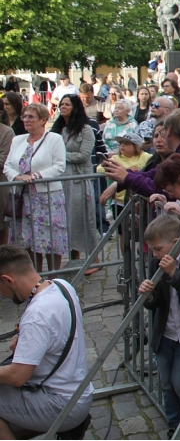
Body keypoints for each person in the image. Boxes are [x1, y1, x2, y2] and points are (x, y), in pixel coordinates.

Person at [0, 245, 93, 438]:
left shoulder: (37, 316)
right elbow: (56, 329)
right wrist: (24, 337)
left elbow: (17, 376)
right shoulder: (60, 285)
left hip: (61, 404)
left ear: (7, 280)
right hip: (78, 392)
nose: (2, 295)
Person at [137, 214, 180, 436]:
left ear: (175, 244)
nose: (154, 254)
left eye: (157, 249)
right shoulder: (155, 262)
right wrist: (147, 295)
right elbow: (155, 303)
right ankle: (175, 424)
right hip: (164, 333)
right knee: (166, 383)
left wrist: (174, 274)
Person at [4, 104, 67, 272]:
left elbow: (59, 167)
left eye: (31, 117)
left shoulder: (54, 139)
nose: (26, 120)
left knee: (51, 238)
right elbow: (8, 165)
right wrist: (18, 177)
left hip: (48, 197)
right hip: (24, 198)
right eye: (24, 117)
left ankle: (54, 278)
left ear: (43, 120)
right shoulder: (18, 140)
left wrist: (36, 176)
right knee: (29, 240)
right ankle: (36, 278)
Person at [52, 96, 97, 268]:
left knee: (82, 218)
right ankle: (74, 258)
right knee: (67, 219)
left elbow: (84, 155)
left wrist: (60, 157)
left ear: (75, 107)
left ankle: (95, 259)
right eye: (61, 104)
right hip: (61, 181)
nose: (62, 107)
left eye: (66, 104)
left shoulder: (86, 130)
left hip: (78, 180)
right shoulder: (58, 129)